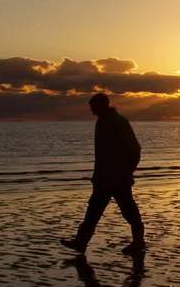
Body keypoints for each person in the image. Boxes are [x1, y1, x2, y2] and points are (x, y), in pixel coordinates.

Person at [60, 93, 146, 255]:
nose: (92, 111)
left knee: (128, 211)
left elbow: (135, 149)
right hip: (104, 178)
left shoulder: (116, 122)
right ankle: (81, 242)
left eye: (93, 107)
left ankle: (138, 242)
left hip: (117, 178)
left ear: (101, 105)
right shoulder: (104, 121)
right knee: (93, 211)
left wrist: (127, 171)